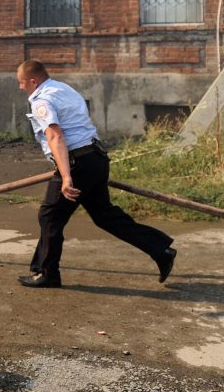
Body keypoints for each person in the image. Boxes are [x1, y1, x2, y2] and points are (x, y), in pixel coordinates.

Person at [16, 59, 177, 288]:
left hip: (78, 164)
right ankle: (160, 249)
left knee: (50, 216)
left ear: (32, 81)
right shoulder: (63, 89)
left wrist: (66, 177)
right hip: (96, 158)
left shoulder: (42, 100)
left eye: (21, 83)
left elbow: (55, 137)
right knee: (104, 216)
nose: (20, 87)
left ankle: (47, 273)